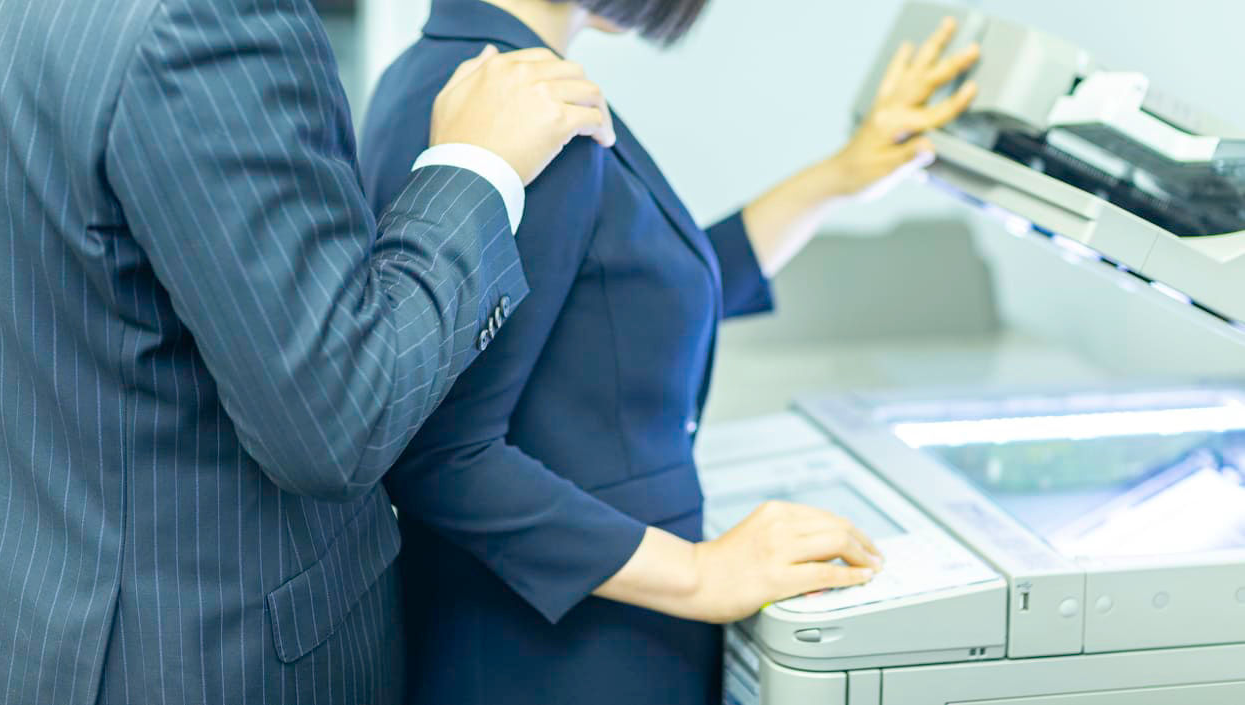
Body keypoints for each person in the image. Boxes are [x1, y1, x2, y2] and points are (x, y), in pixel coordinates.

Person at [0, 0, 621, 703]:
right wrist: (476, 170)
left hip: (47, 608)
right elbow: (336, 419)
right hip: (204, 654)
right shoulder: (203, 20)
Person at [358, 0, 980, 703]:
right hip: (571, 652)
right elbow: (439, 453)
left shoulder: (445, 71)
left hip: (535, 630)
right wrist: (702, 572)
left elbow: (620, 297)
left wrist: (842, 175)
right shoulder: (526, 106)